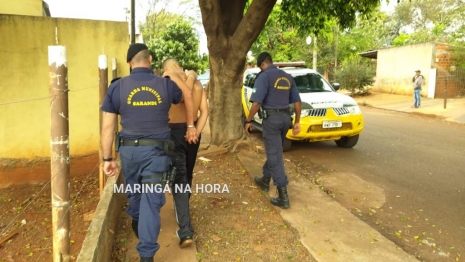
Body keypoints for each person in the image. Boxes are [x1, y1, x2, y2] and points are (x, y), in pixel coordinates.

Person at [100, 43, 197, 262]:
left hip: (129, 154)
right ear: (150, 59)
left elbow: (107, 127)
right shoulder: (165, 85)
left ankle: (146, 252)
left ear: (128, 64)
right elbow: (185, 94)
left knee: (140, 200)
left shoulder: (117, 87)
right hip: (156, 154)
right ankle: (141, 224)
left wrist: (107, 159)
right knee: (149, 204)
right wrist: (175, 75)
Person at [244, 52, 301, 209]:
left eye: (259, 66)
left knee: (274, 155)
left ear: (262, 64)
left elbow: (256, 103)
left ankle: (283, 195)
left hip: (272, 121)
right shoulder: (288, 77)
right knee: (275, 150)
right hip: (285, 120)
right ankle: (264, 179)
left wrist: (248, 120)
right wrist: (297, 122)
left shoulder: (264, 77)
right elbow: (297, 101)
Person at [162, 58, 209, 248]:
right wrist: (196, 131)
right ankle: (183, 209)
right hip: (192, 134)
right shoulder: (196, 82)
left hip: (173, 132)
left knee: (177, 176)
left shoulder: (167, 78)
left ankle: (184, 222)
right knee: (187, 172)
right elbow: (205, 111)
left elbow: (182, 95)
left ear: (167, 67)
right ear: (179, 65)